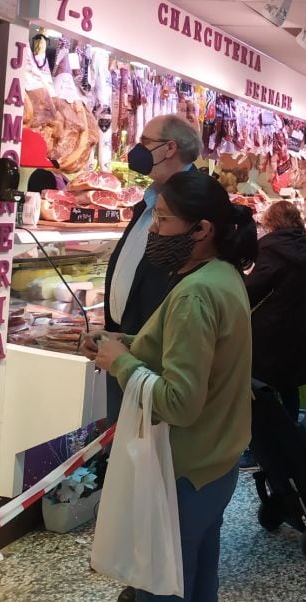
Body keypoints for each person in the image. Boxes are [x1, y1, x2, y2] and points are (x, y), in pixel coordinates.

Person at [87, 170, 257, 602]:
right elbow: (202, 359)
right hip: (215, 462)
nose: (154, 231)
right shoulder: (223, 275)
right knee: (197, 578)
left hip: (181, 468)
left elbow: (179, 403)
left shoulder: (193, 294)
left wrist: (121, 363)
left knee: (163, 585)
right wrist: (123, 344)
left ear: (201, 229)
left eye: (162, 220)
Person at [104, 115, 201, 425]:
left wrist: (138, 343)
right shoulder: (150, 200)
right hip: (128, 349)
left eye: (145, 142)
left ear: (169, 148)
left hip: (155, 366)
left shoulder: (195, 203)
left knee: (148, 458)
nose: (138, 149)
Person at [245, 200, 306, 419]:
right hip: (299, 324)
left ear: (272, 221)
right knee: (290, 382)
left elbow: (255, 287)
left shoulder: (272, 247)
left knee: (263, 382)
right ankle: (291, 428)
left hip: (271, 326)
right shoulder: (304, 244)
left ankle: (268, 433)